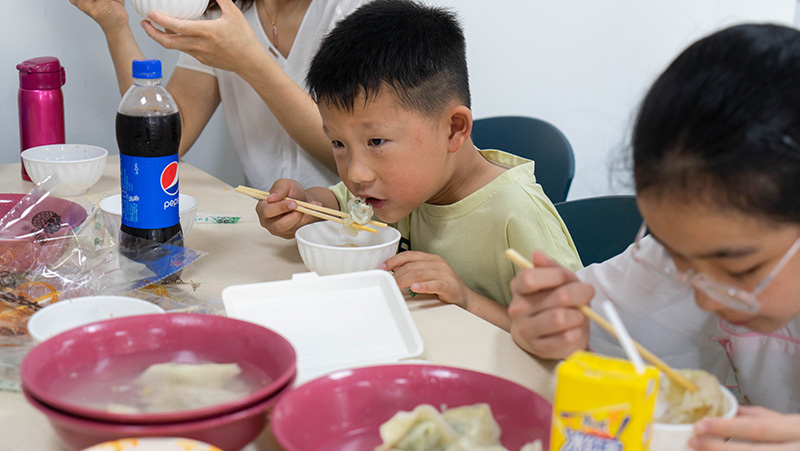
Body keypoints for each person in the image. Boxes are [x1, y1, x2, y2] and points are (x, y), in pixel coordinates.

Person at [508, 23, 800, 449]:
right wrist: (549, 327)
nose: (705, 297)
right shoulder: (675, 259)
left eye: (741, 268)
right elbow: (589, 328)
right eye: (676, 255)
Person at [256, 0, 582, 330]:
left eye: (376, 142)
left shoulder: (517, 213)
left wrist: (466, 299)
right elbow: (338, 203)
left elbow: (577, 341)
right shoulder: (401, 190)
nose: (355, 173)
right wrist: (304, 207)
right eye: (338, 143)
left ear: (454, 128)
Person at [69, 0, 369, 189]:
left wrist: (250, 62)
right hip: (265, 222)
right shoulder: (220, 14)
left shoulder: (356, 11)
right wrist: (115, 25)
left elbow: (360, 157)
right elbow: (169, 138)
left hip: (353, 224)